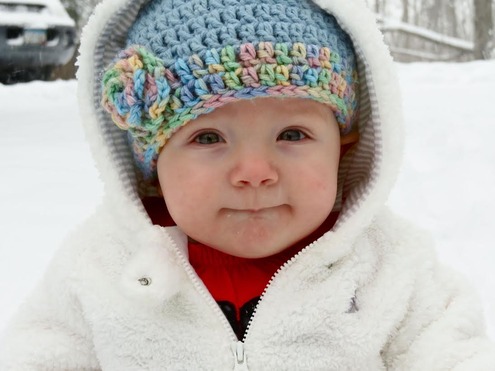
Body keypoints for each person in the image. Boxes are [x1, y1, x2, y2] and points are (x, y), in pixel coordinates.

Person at [1, 0, 494, 369]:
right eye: (209, 136)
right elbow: (42, 353)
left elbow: (450, 351)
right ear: (152, 160)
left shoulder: (390, 265)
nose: (254, 171)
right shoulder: (100, 264)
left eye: (292, 134)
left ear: (343, 145)